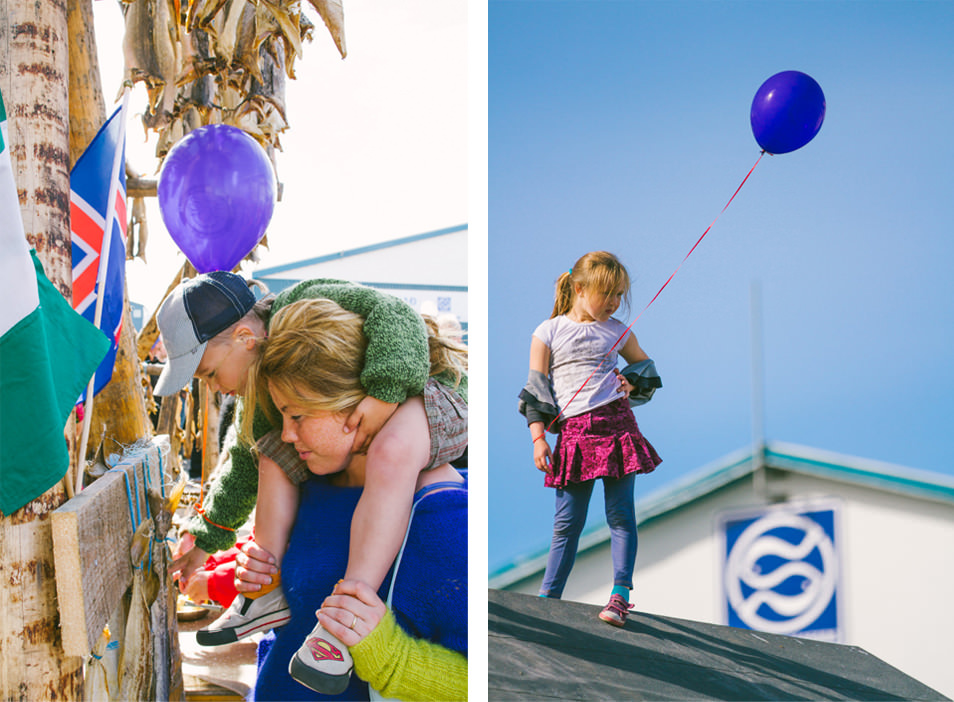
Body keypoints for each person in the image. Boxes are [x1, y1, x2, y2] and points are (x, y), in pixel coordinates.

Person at [154, 273, 467, 692]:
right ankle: (263, 592)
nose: (214, 388)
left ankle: (347, 610)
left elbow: (395, 316)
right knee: (268, 451)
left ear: (246, 337)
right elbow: (244, 458)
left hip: (419, 391)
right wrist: (210, 537)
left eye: (209, 374)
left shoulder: (304, 304)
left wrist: (387, 391)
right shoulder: (275, 399)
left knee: (391, 452)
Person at [236, 297, 467, 700]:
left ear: (357, 404)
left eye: (298, 416)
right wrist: (266, 583)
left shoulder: (445, 518)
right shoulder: (308, 485)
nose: (287, 435)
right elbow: (295, 624)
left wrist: (392, 657)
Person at [518, 250, 662, 627]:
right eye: (607, 294)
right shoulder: (547, 332)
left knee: (619, 514)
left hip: (617, 426)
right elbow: (537, 390)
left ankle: (620, 595)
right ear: (579, 289)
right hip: (575, 435)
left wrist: (631, 382)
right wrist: (538, 438)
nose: (614, 303)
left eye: (619, 295)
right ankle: (549, 597)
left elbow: (646, 370)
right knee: (567, 522)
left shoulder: (618, 331)